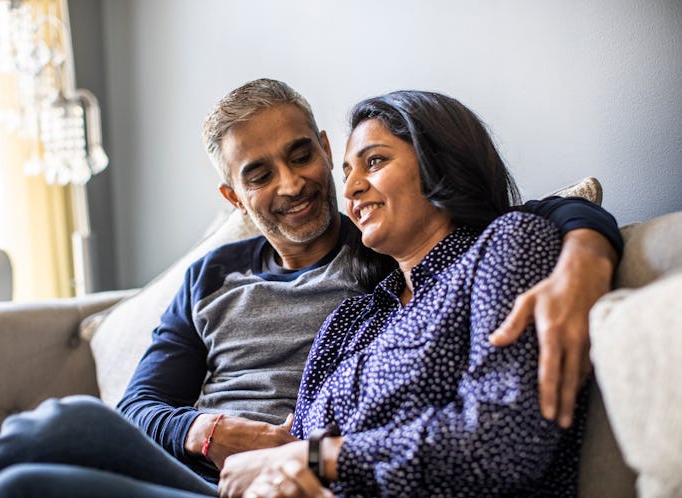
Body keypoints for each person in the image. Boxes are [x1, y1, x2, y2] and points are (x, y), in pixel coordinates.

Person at [0, 80, 621, 498]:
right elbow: (143, 405)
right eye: (260, 174)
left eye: (306, 156)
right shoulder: (340, 308)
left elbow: (525, 218)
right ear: (235, 195)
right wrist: (210, 434)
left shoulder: (397, 254)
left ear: (322, 147)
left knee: (45, 459)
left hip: (305, 478)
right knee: (68, 427)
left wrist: (587, 245)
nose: (301, 186)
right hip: (229, 473)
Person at [221, 90, 593, 497]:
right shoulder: (348, 321)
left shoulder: (508, 246)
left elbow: (504, 441)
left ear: (440, 163)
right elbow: (292, 460)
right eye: (347, 174)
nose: (352, 190)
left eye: (375, 161)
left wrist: (319, 459)